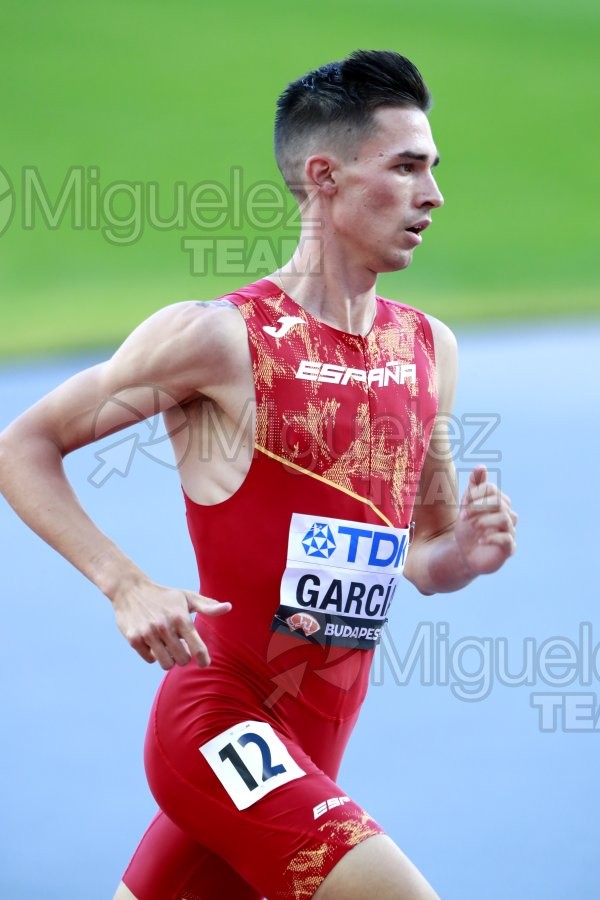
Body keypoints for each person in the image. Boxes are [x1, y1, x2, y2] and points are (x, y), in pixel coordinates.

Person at [0, 50, 518, 900]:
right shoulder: (217, 338)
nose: (434, 195)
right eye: (407, 167)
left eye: (433, 168)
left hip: (311, 742)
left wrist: (462, 552)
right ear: (325, 176)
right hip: (217, 719)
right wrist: (126, 584)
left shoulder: (429, 349)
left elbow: (422, 555)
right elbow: (22, 445)